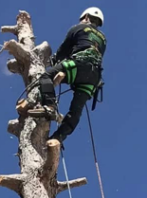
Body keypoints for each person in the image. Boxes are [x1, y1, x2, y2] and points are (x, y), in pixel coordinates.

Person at [32, 8, 105, 147]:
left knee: (46, 76)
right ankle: (59, 137)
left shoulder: (78, 28)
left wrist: (53, 61)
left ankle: (49, 105)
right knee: (76, 111)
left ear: (86, 17)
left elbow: (63, 50)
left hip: (78, 64)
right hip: (94, 77)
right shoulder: (103, 39)